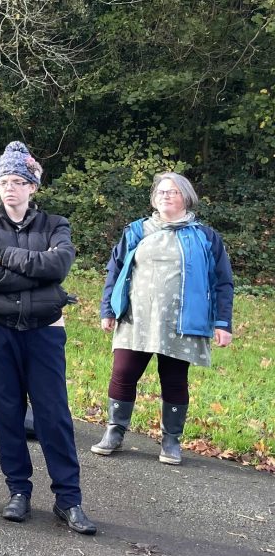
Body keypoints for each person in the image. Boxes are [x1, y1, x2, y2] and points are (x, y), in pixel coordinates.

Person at [0, 141, 96, 535]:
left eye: (19, 181)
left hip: (43, 331)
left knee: (53, 415)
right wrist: (40, 276)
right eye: (4, 181)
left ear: (33, 187)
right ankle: (18, 491)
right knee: (6, 413)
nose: (11, 188)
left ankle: (69, 500)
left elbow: (59, 265)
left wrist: (6, 258)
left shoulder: (55, 224)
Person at [93, 172, 233, 464]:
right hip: (136, 317)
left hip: (181, 321)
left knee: (174, 378)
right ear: (153, 198)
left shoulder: (205, 236)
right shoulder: (136, 230)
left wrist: (222, 322)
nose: (166, 196)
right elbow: (115, 270)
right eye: (161, 192)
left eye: (173, 192)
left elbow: (223, 281)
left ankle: (171, 441)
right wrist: (107, 309)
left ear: (186, 197)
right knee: (123, 372)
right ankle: (115, 432)